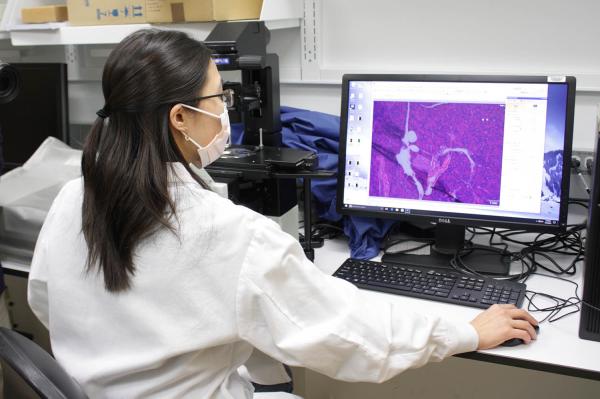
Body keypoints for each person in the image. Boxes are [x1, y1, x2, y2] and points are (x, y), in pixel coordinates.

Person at [27, 30, 538, 399]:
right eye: (218, 98)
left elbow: (46, 303)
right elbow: (351, 335)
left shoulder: (73, 198)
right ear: (180, 118)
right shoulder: (224, 233)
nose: (226, 112)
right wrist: (467, 332)